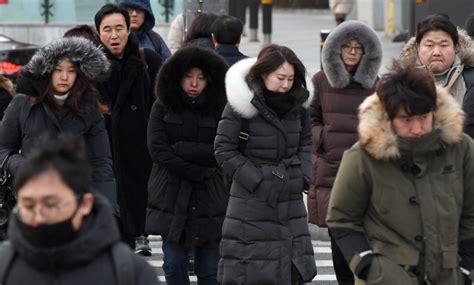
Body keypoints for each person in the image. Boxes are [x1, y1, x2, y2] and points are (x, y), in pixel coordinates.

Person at [326, 62, 474, 285]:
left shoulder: (460, 148)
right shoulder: (363, 155)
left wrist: (466, 268)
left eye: (424, 117)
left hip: (446, 275)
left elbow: (471, 213)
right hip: (386, 277)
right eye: (406, 120)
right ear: (389, 117)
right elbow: (341, 218)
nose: (417, 128)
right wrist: (368, 266)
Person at [214, 44, 317, 284]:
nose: (286, 85)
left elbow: (305, 143)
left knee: (290, 271)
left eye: (291, 79)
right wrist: (259, 180)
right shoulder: (242, 105)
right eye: (280, 78)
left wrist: (303, 174)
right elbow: (223, 149)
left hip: (290, 202)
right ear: (263, 74)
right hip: (251, 204)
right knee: (251, 272)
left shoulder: (297, 106)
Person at [0, 135, 158, 285]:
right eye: (28, 205)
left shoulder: (129, 271)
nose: (39, 216)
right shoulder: (5, 266)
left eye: (52, 204)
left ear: (85, 204)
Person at [307, 20, 382, 285]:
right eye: (346, 46)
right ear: (336, 49)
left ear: (366, 52)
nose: (351, 52)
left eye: (357, 47)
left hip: (366, 169)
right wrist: (324, 138)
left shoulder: (376, 84)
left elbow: (385, 121)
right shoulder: (320, 80)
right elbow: (310, 118)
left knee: (365, 235)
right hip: (332, 168)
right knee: (339, 237)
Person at [0, 37, 116, 207]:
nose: (64, 77)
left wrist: (108, 208)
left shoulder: (89, 108)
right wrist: (25, 167)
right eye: (58, 70)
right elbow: (3, 148)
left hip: (74, 199)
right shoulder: (23, 103)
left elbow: (101, 162)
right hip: (31, 198)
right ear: (48, 71)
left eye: (71, 71)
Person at [146, 45, 228, 285]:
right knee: (173, 264)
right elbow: (157, 149)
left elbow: (222, 147)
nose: (194, 83)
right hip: (171, 194)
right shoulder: (161, 106)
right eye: (189, 77)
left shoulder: (219, 108)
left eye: (201, 78)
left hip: (210, 194)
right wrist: (196, 168)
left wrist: (181, 148)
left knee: (210, 270)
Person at [94, 3, 162, 255]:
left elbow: (160, 104)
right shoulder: (92, 68)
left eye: (119, 28)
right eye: (107, 29)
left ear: (129, 29)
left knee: (138, 199)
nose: (114, 35)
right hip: (108, 147)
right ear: (98, 33)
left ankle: (140, 235)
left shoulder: (148, 61)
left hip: (142, 148)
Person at [400, 14, 474, 136]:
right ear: (418, 47)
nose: (436, 52)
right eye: (429, 45)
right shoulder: (400, 81)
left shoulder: (470, 80)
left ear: (455, 47)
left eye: (444, 45)